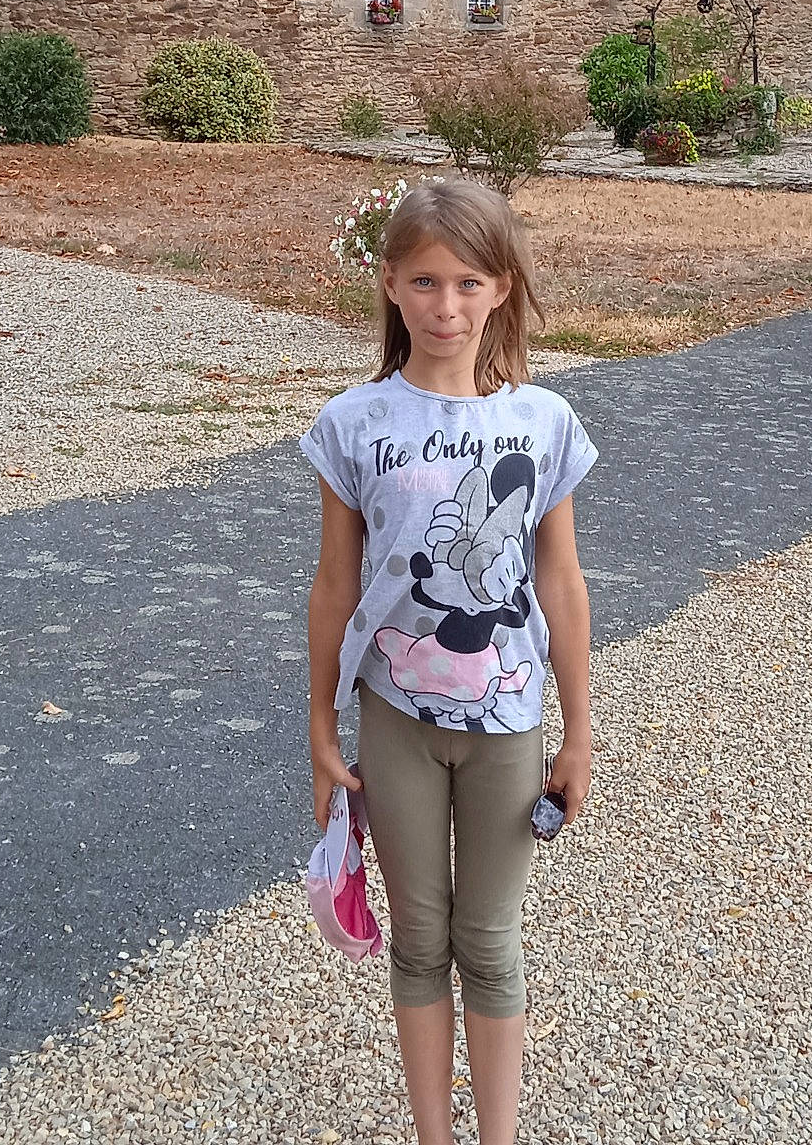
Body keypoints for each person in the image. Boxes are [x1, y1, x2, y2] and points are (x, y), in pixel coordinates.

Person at [303, 177, 597, 1145]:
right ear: (390, 282)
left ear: (502, 288)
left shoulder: (543, 421)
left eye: (469, 282)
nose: (446, 305)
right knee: (420, 940)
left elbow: (561, 581)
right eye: (425, 281)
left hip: (508, 724)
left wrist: (579, 731)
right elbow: (334, 585)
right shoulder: (353, 424)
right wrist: (320, 726)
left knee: (490, 941)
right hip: (395, 721)